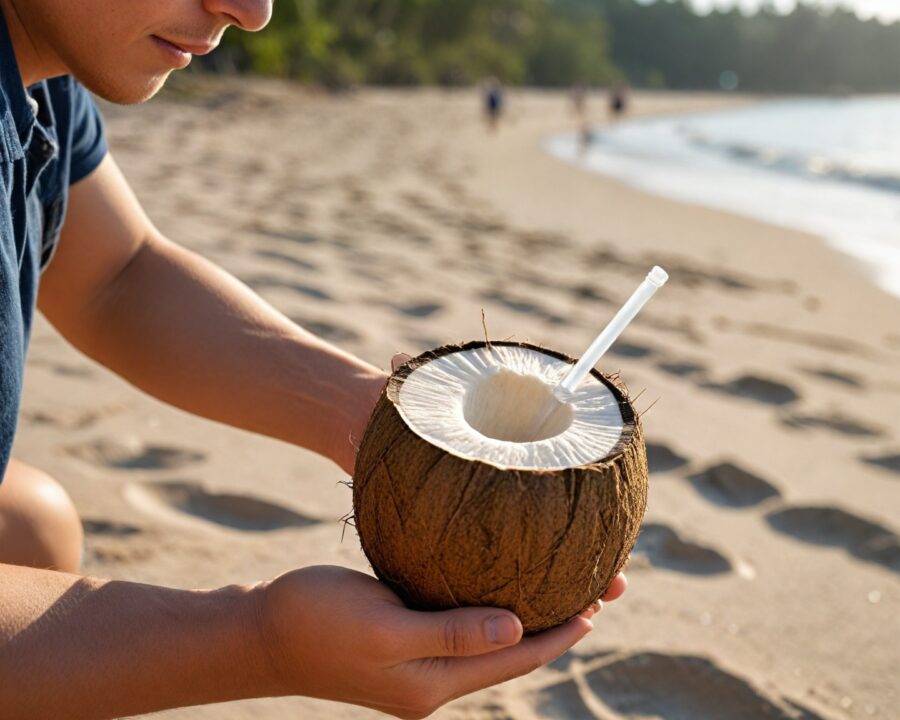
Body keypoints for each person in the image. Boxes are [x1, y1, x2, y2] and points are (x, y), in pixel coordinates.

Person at [0, 1, 627, 718]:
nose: (253, 11)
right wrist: (258, 641)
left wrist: (361, 413)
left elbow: (117, 273)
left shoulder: (39, 70)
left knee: (36, 530)